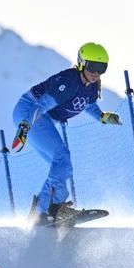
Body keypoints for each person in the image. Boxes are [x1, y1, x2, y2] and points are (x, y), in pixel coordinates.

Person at [11, 42, 121, 224]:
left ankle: (46, 210)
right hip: (29, 112)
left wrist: (102, 116)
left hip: (39, 118)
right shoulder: (69, 82)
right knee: (61, 157)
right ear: (81, 63)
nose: (96, 72)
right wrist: (25, 126)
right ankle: (49, 210)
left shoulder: (92, 86)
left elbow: (88, 104)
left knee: (63, 167)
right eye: (92, 66)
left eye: (102, 68)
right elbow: (40, 106)